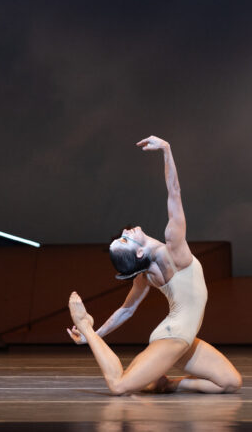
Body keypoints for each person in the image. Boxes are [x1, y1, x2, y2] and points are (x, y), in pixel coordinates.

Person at [67, 136, 242, 395]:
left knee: (231, 382)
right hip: (172, 338)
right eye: (125, 238)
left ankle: (166, 383)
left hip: (184, 339)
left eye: (122, 235)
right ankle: (83, 324)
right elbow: (174, 193)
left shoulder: (146, 273)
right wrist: (92, 331)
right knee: (119, 386)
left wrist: (167, 149)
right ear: (139, 252)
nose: (126, 231)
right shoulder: (174, 252)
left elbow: (125, 312)